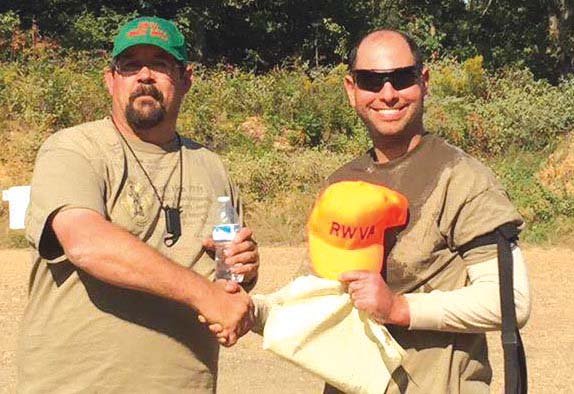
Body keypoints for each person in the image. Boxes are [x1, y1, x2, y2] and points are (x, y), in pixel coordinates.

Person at [16, 16, 258, 393]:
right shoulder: (74, 149)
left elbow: (227, 276)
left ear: (185, 78)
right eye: (130, 66)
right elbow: (86, 242)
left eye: (160, 65)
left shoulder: (211, 167)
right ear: (111, 80)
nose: (144, 75)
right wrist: (203, 293)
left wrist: (242, 269)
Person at [319, 29, 531, 393]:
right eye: (372, 81)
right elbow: (316, 295)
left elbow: (510, 301)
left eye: (402, 78)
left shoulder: (462, 178)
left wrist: (399, 308)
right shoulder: (341, 182)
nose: (388, 94)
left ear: (424, 81)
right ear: (351, 89)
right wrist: (245, 301)